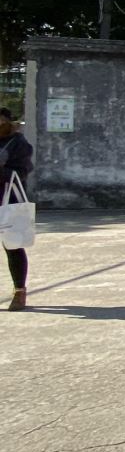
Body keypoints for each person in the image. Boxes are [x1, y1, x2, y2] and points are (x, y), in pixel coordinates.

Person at [0, 107, 33, 312]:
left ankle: (19, 291)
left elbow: (22, 171)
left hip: (9, 200)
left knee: (12, 246)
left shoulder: (19, 143)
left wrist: (2, 171)